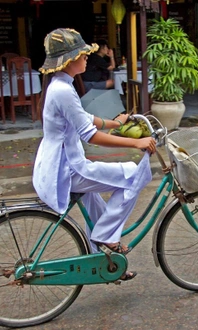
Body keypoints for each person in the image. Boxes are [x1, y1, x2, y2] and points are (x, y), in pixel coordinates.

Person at [33, 28, 156, 281]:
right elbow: (89, 135)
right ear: (68, 60)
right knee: (133, 174)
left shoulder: (60, 85)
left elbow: (83, 119)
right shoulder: (63, 91)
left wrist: (113, 123)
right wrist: (135, 144)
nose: (87, 56)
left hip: (62, 165)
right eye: (82, 53)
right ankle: (107, 238)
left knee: (96, 202)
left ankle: (105, 261)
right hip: (68, 170)